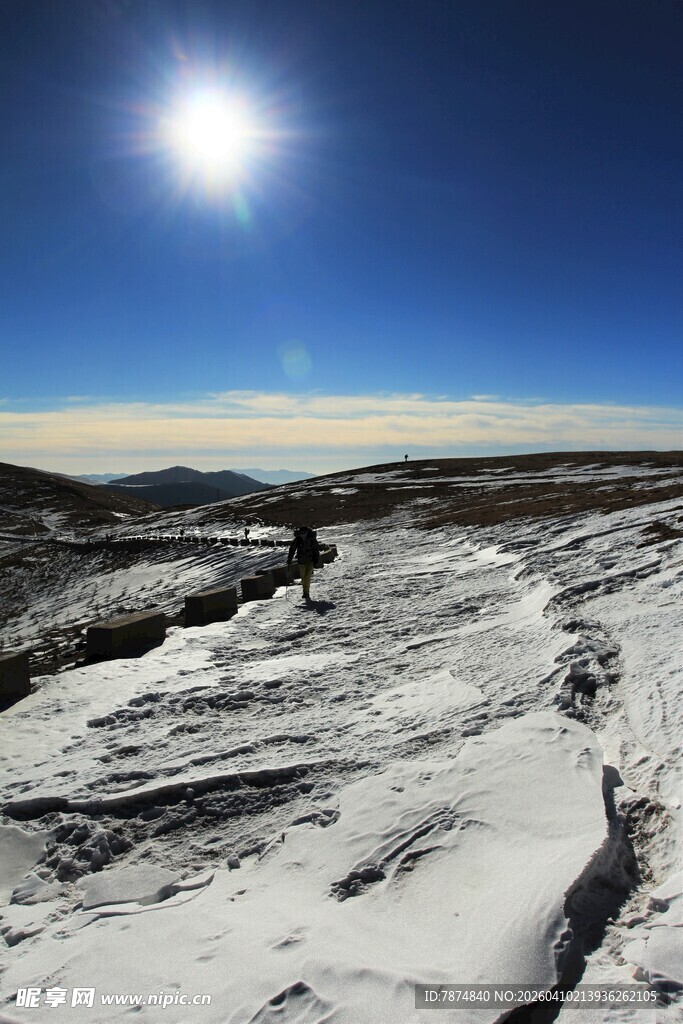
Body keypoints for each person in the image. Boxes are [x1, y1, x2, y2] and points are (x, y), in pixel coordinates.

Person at [287, 526, 320, 603]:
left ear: (306, 532)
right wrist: (289, 559)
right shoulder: (297, 539)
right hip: (301, 561)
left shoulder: (311, 539)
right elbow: (292, 549)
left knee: (307, 576)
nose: (302, 534)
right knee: (303, 577)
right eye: (301, 533)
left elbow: (316, 549)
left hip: (310, 560)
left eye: (303, 533)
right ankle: (305, 591)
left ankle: (306, 592)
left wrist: (316, 560)